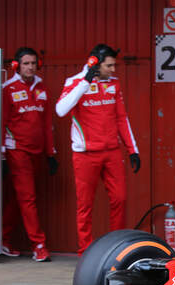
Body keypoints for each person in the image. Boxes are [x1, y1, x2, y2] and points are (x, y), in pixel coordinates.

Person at [56, 44, 140, 255]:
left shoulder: (114, 83)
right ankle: (85, 250)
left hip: (111, 151)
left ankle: (117, 247)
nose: (113, 70)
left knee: (120, 198)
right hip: (85, 153)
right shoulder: (74, 82)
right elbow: (61, 110)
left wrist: (133, 150)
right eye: (109, 66)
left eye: (114, 65)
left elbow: (122, 118)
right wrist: (85, 82)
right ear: (94, 62)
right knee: (85, 205)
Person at [1, 47, 58, 262]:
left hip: (37, 153)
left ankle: (4, 239)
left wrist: (51, 153)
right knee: (28, 198)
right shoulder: (8, 88)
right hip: (18, 152)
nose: (30, 67)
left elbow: (46, 124)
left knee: (20, 198)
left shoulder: (42, 88)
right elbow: (2, 123)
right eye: (26, 63)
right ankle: (39, 246)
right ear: (16, 65)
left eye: (33, 63)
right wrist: (3, 155)